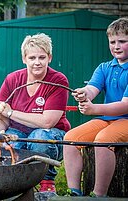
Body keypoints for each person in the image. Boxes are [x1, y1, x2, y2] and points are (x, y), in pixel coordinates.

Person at [0, 33, 71, 193]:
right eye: (32, 58)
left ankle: (46, 181)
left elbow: (47, 122)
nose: (37, 62)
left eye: (42, 57)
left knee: (39, 137)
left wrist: (11, 113)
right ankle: (15, 184)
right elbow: (1, 116)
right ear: (24, 59)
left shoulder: (58, 80)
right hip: (18, 131)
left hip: (51, 133)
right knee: (8, 143)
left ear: (49, 58)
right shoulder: (12, 80)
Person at [63, 17, 128, 197]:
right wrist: (83, 93)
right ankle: (74, 191)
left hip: (126, 121)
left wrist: (94, 109)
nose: (116, 46)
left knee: (103, 141)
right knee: (70, 139)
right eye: (112, 42)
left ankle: (99, 194)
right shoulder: (104, 67)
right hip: (107, 120)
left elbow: (125, 106)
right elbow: (92, 89)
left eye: (122, 41)